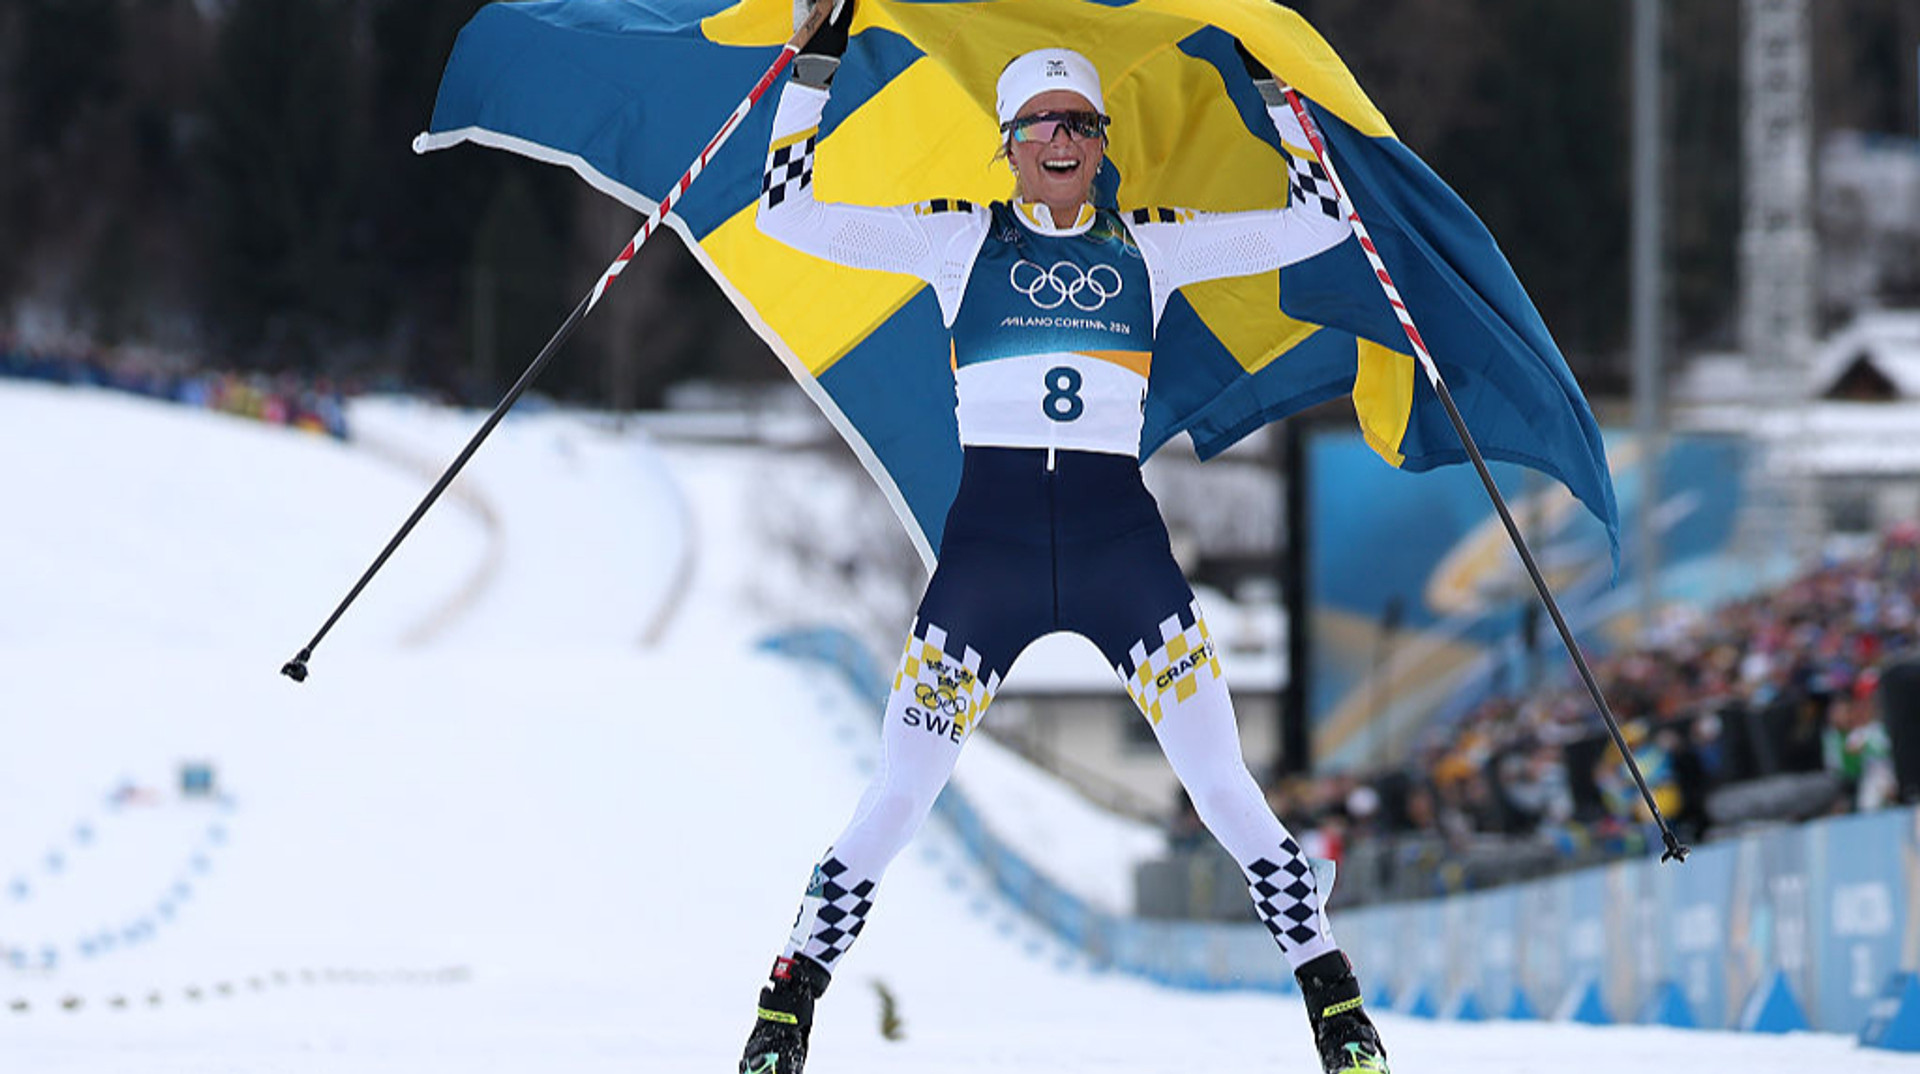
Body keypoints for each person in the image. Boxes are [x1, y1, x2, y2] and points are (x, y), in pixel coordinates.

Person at [741, 4, 1387, 1072]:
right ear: (1009, 145)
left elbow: (1319, 217)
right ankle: (786, 1003)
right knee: (901, 790)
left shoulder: (1152, 242)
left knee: (1225, 785)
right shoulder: (958, 236)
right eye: (1042, 124)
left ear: (1101, 146)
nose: (1062, 142)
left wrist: (1282, 98)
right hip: (987, 559)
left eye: (1081, 125)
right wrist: (811, 67)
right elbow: (786, 210)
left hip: (1117, 552)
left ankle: (1339, 1011)